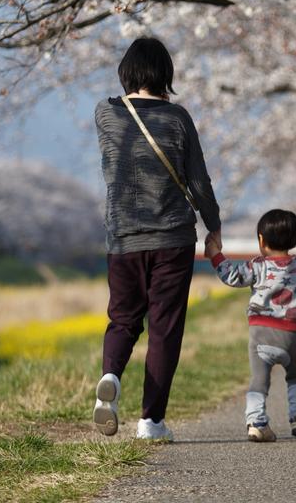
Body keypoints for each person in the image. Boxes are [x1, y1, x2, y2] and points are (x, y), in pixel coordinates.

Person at [93, 37, 222, 442]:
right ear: (166, 74)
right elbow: (198, 181)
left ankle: (110, 375)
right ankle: (151, 421)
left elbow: (123, 108)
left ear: (126, 72)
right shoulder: (177, 119)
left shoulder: (105, 114)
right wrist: (213, 226)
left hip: (123, 239)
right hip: (172, 239)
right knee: (164, 328)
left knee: (123, 318)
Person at [205, 209, 296, 442]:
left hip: (260, 336)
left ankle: (256, 423)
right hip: (290, 337)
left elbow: (231, 275)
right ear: (294, 240)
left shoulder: (256, 266)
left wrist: (215, 254)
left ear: (261, 240)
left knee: (259, 381)